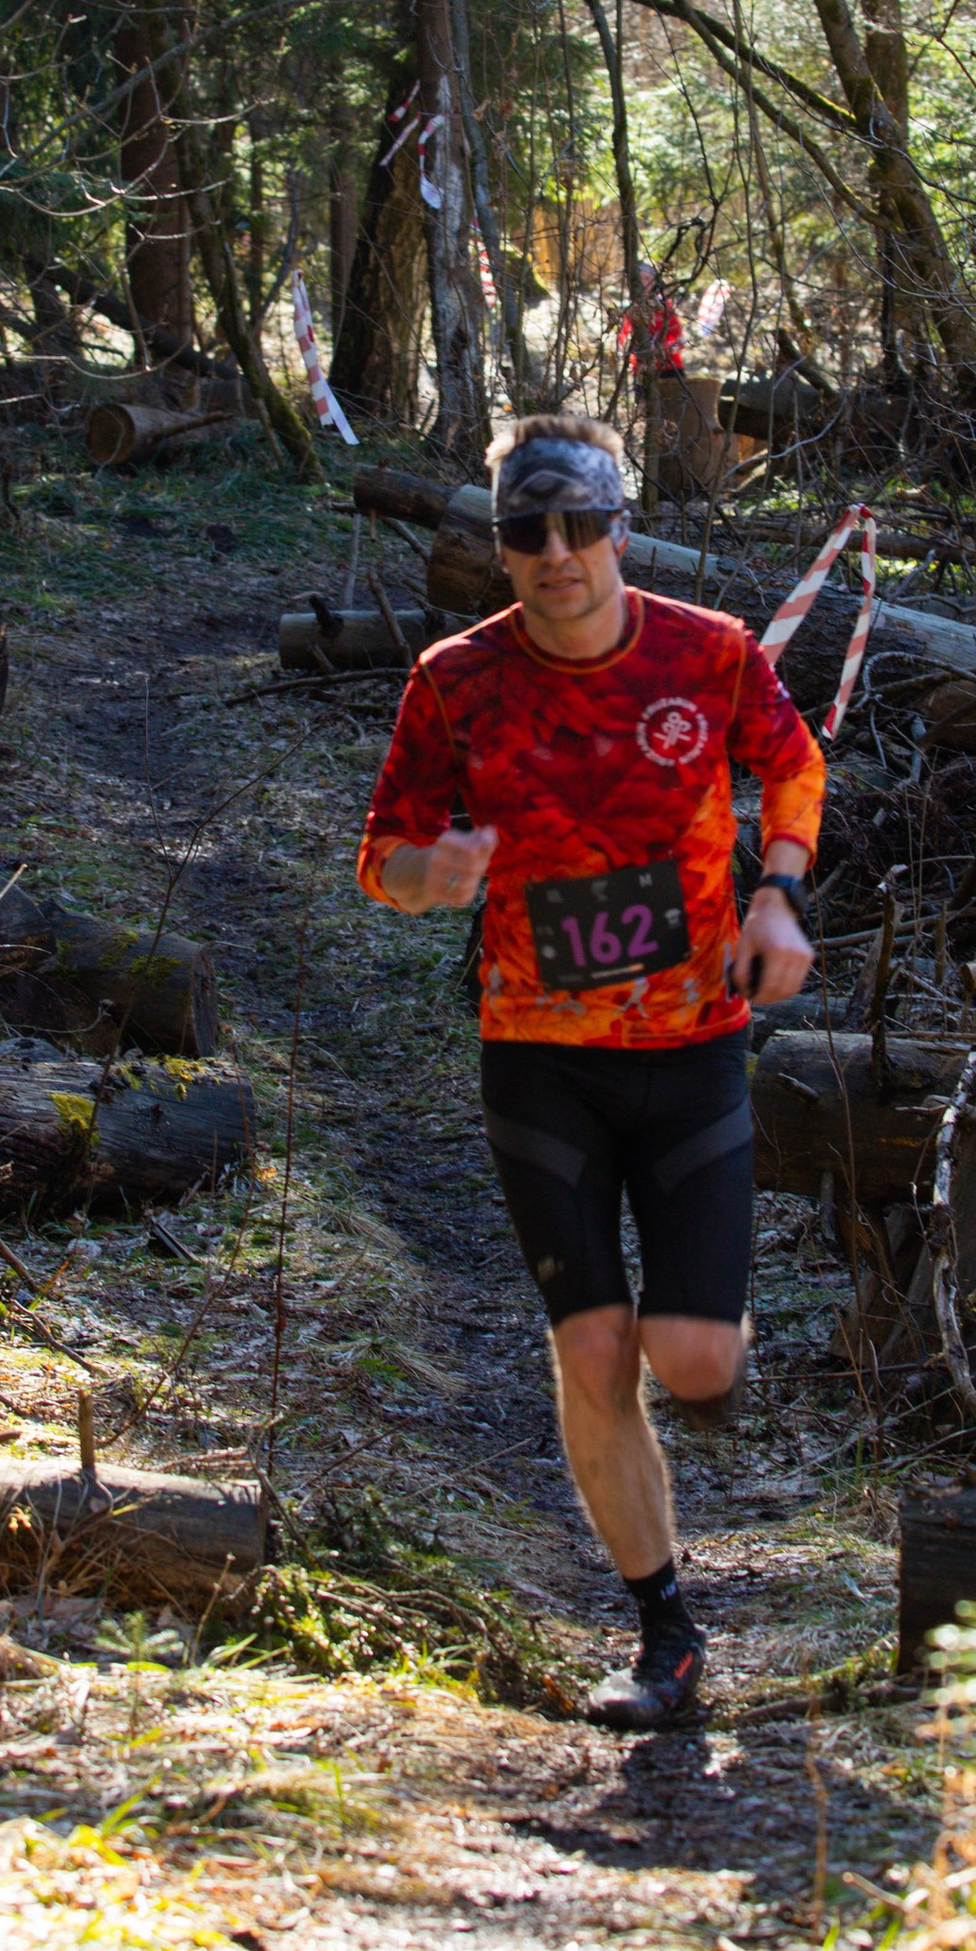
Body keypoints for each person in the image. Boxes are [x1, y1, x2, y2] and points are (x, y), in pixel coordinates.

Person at [356, 413, 824, 1729]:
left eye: (579, 527)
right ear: (499, 545)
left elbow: (792, 767)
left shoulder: (707, 655)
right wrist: (423, 876)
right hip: (540, 1061)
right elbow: (379, 853)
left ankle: (714, 1357)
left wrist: (777, 899)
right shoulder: (456, 680)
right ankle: (664, 1635)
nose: (555, 555)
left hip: (691, 1047)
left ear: (621, 529)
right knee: (596, 1353)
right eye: (525, 532)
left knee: (687, 1360)